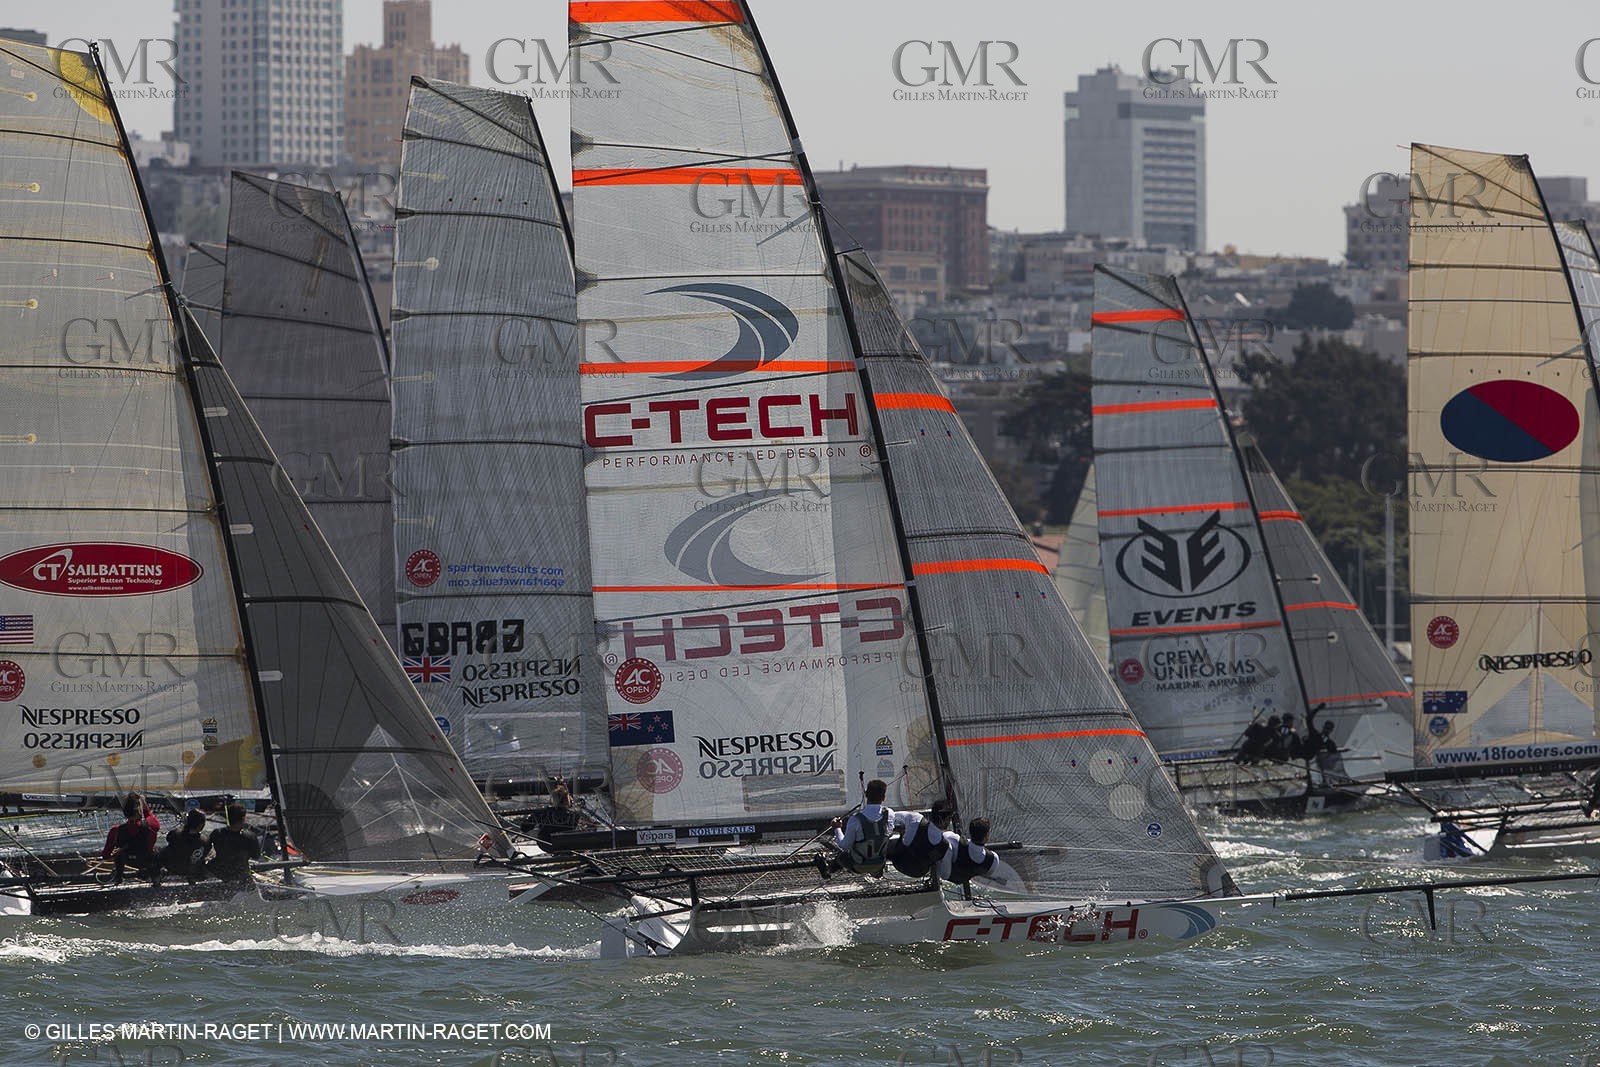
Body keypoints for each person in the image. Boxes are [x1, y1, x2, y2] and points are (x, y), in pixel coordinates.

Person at [827, 779, 896, 876]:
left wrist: (837, 828)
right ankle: (876, 872)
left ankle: (828, 871)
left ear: (866, 795)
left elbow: (844, 845)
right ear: (883, 797)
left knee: (841, 856)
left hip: (858, 866)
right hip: (879, 864)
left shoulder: (855, 819)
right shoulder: (890, 814)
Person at [937, 817, 1020, 889]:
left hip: (946, 876)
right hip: (961, 879)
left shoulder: (955, 840)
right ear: (987, 836)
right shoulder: (993, 859)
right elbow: (987, 873)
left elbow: (938, 834)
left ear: (970, 832)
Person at [884, 798, 956, 878]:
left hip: (898, 862)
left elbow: (891, 816)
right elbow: (944, 875)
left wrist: (899, 830)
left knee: (892, 840)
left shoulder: (916, 818)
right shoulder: (945, 845)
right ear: (945, 820)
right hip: (917, 873)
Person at [102, 792, 160, 885]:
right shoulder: (152, 825)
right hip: (146, 861)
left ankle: (118, 877)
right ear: (139, 811)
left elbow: (105, 855)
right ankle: (156, 880)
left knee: (119, 854)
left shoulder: (115, 830)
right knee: (156, 852)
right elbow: (149, 815)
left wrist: (115, 853)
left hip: (128, 861)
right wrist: (143, 802)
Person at [205, 803, 262, 884]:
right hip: (240, 875)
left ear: (228, 817)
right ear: (243, 819)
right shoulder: (250, 837)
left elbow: (205, 849)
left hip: (218, 873)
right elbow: (256, 856)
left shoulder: (217, 833)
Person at [158, 809, 210, 882]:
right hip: (191, 871)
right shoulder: (205, 841)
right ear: (201, 825)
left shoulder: (174, 834)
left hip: (171, 868)